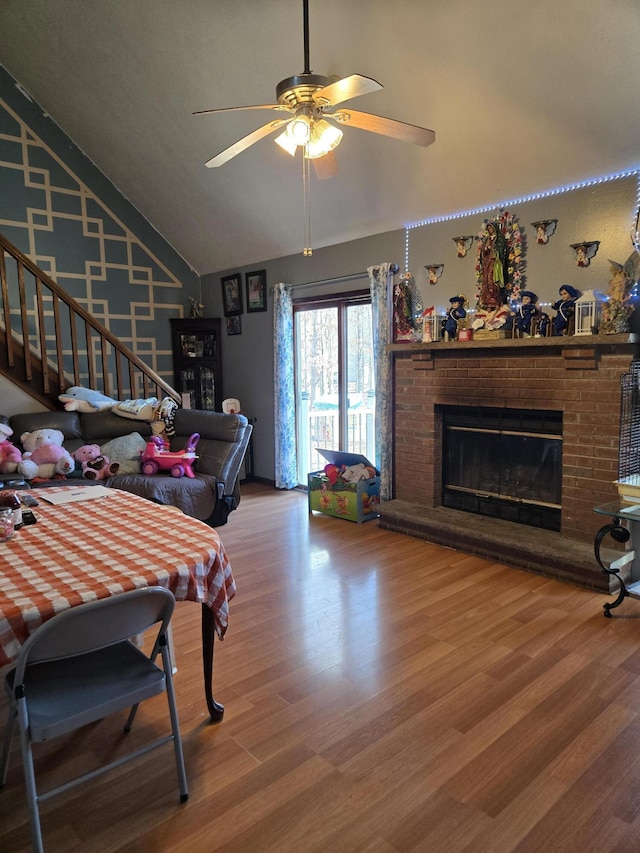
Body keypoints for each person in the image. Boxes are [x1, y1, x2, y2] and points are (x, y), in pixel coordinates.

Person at [479, 222, 507, 309]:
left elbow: (501, 249)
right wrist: (485, 249)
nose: (490, 230)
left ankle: (495, 299)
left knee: (492, 279)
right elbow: (482, 252)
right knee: (486, 280)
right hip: (487, 262)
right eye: (489, 229)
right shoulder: (487, 239)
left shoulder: (499, 239)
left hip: (495, 262)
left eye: (491, 228)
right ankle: (487, 300)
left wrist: (493, 249)